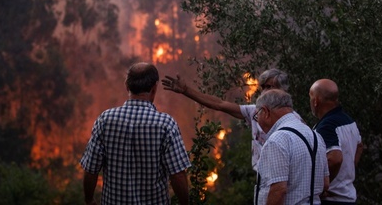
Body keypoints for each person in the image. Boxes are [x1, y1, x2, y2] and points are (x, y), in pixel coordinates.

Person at [80, 62, 191, 205]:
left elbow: (91, 168)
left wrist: (89, 200)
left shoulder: (105, 120)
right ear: (154, 88)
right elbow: (177, 175)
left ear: (127, 86)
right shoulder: (166, 125)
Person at [162, 68, 293, 170]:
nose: (264, 91)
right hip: (262, 177)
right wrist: (186, 90)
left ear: (283, 90)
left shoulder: (292, 120)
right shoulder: (254, 112)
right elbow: (219, 104)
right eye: (263, 87)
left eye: (269, 87)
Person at [255, 89, 329, 205]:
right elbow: (325, 183)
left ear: (265, 112)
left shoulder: (277, 140)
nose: (257, 121)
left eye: (256, 116)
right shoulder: (316, 136)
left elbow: (278, 190)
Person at [309, 79, 363, 205]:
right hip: (348, 196)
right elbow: (360, 146)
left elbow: (335, 159)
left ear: (315, 101)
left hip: (331, 199)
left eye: (310, 97)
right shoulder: (348, 120)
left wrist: (323, 186)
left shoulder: (326, 126)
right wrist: (347, 172)